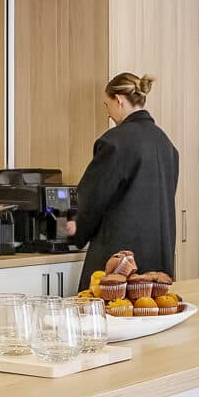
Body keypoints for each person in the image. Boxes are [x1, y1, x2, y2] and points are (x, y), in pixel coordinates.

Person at [71, 70, 179, 288]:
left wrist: (67, 232)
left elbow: (91, 199)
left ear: (119, 100)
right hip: (158, 261)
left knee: (106, 308)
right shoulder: (166, 145)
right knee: (148, 308)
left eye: (107, 105)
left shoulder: (115, 142)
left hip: (119, 264)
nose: (108, 113)